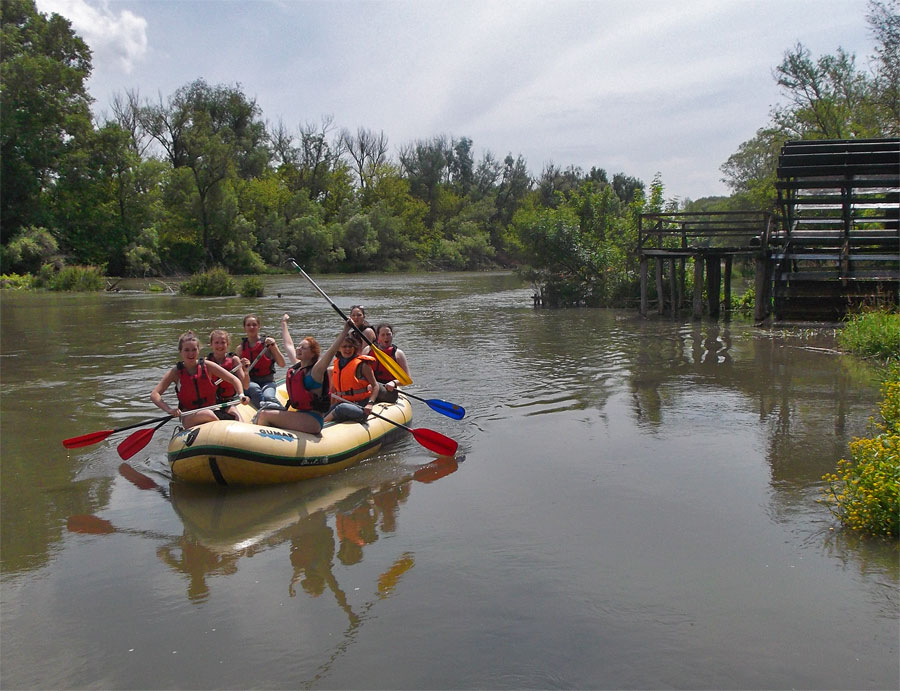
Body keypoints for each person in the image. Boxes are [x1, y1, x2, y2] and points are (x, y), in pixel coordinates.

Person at [255, 316, 351, 434]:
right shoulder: (298, 367)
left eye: (303, 348)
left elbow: (331, 351)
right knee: (264, 411)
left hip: (312, 420)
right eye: (299, 346)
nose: (298, 349)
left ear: (312, 354)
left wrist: (346, 329)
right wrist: (283, 324)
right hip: (301, 416)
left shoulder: (316, 370)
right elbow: (288, 345)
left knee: (264, 415)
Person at [151, 330, 249, 428]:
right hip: (189, 415)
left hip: (213, 408)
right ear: (181, 351)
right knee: (207, 414)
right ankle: (222, 429)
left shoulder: (208, 365)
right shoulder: (175, 372)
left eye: (194, 349)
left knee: (237, 417)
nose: (191, 353)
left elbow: (233, 379)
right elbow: (155, 394)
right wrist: (169, 410)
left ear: (198, 350)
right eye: (187, 350)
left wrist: (241, 395)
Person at [323, 329, 379, 423]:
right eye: (344, 346)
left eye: (350, 346)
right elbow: (334, 390)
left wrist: (370, 403)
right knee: (324, 411)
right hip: (344, 402)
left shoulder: (362, 365)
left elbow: (375, 385)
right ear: (339, 348)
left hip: (361, 407)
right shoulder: (337, 364)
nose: (347, 349)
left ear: (354, 348)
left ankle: (322, 424)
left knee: (342, 408)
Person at [238, 314, 286, 409]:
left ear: (259, 326)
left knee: (269, 396)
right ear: (244, 328)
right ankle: (266, 413)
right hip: (250, 382)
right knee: (254, 389)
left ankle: (284, 414)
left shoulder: (267, 345)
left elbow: (282, 364)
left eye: (254, 324)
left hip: (267, 381)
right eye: (248, 325)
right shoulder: (240, 348)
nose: (251, 327)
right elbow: (238, 373)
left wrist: (274, 346)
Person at [207, 329, 250, 420]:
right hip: (212, 402)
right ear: (211, 344)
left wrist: (245, 371)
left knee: (236, 416)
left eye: (223, 342)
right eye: (216, 343)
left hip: (229, 401)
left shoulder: (234, 360)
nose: (220, 346)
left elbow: (245, 386)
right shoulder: (206, 362)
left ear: (228, 344)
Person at [371, 323, 411, 403]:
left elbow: (407, 379)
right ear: (378, 336)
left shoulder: (398, 354)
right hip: (370, 388)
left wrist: (394, 382)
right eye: (383, 335)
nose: (386, 337)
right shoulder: (368, 350)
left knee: (372, 386)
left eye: (388, 334)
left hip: (389, 392)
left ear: (392, 335)